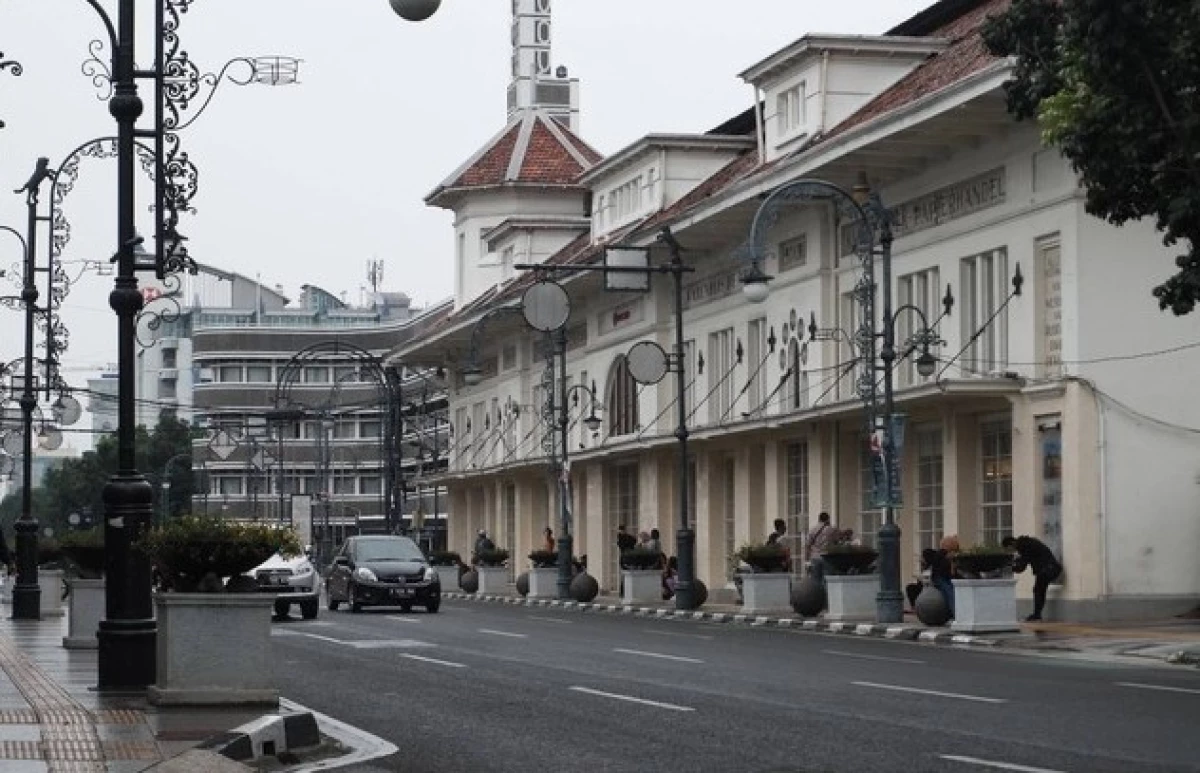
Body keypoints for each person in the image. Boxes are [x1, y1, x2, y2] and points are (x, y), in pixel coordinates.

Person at [1003, 535, 1063, 621]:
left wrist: (1010, 567)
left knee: (1038, 590)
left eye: (1010, 548)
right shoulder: (1027, 543)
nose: (1012, 551)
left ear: (1012, 543)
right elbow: (1024, 560)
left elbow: (1021, 567)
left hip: (1048, 569)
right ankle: (1037, 615)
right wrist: (1015, 563)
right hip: (1050, 568)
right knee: (1039, 590)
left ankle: (1037, 615)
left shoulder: (1025, 546)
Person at [923, 546, 956, 619]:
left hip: (940, 578)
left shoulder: (939, 557)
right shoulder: (941, 557)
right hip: (941, 578)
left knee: (949, 594)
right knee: (950, 594)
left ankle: (953, 613)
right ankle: (955, 614)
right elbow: (947, 572)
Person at [805, 512, 835, 585]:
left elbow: (808, 545)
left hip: (815, 556)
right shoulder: (831, 529)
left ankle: (816, 595)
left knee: (815, 579)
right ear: (828, 519)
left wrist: (807, 560)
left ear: (819, 519)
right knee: (827, 579)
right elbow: (836, 541)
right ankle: (826, 595)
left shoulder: (812, 529)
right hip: (827, 557)